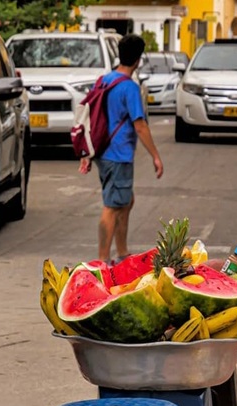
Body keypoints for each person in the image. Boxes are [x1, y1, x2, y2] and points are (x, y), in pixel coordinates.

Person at [78, 34, 164, 264]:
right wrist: (156, 156)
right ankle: (103, 260)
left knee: (126, 201)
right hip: (118, 153)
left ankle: (122, 252)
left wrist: (87, 153)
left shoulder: (104, 80)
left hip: (103, 152)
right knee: (112, 206)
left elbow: (89, 116)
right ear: (138, 60)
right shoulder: (129, 88)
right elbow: (140, 125)